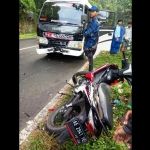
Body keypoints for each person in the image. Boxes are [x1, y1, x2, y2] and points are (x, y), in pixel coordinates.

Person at [83, 6, 100, 72]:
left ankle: (90, 72)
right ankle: (90, 71)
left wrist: (85, 32)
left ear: (97, 13)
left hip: (90, 44)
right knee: (89, 59)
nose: (91, 13)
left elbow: (87, 33)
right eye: (90, 11)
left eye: (93, 11)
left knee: (90, 58)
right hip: (89, 42)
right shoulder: (92, 20)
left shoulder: (95, 22)